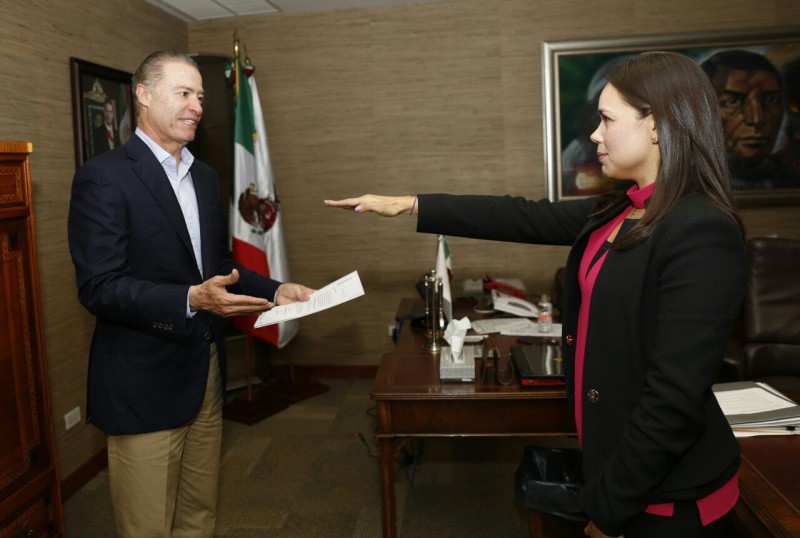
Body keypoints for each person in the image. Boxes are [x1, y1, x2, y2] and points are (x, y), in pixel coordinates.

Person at [325, 51, 746, 537]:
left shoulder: (701, 230)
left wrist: (607, 511)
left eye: (607, 119)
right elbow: (519, 216)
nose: (594, 134)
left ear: (658, 126)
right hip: (620, 468)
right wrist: (410, 205)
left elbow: (672, 398)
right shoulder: (620, 208)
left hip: (671, 496)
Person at [68, 51, 314, 538]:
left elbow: (218, 266)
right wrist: (191, 300)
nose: (197, 106)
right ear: (143, 94)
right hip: (144, 384)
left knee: (200, 517)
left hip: (205, 373)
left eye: (200, 96)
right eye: (184, 93)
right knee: (148, 527)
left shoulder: (203, 176)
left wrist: (276, 287)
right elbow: (99, 286)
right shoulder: (104, 177)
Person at [700, 49, 792, 189]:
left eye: (771, 100)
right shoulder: (683, 187)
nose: (756, 119)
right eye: (732, 101)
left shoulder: (789, 179)